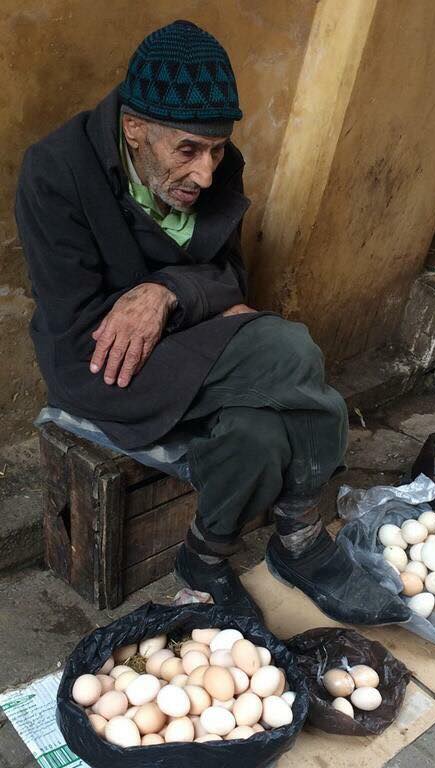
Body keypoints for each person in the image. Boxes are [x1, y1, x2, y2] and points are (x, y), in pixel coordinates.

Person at [16, 20, 409, 625]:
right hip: (99, 360)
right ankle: (300, 540)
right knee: (289, 350)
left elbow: (230, 276)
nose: (205, 172)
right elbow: (82, 317)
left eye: (216, 150)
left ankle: (203, 561)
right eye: (188, 151)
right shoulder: (55, 172)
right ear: (134, 129)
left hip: (188, 338)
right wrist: (196, 304)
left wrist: (165, 290)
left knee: (259, 434)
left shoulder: (220, 164)